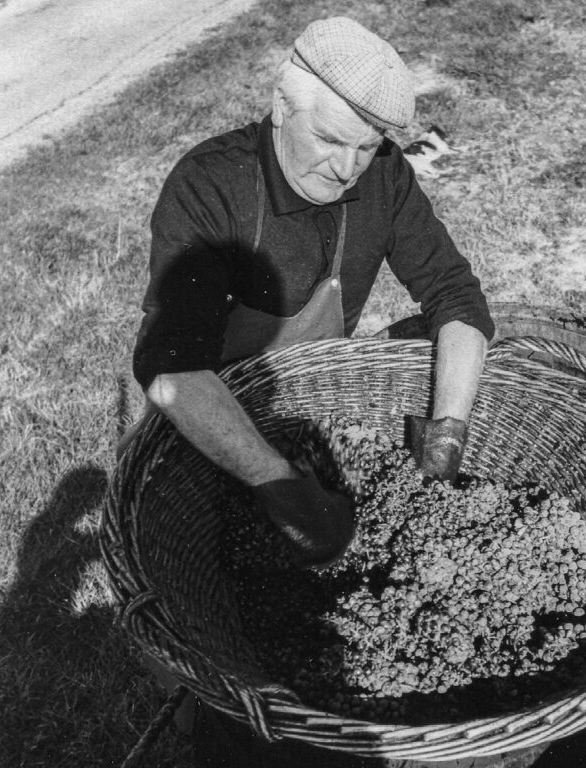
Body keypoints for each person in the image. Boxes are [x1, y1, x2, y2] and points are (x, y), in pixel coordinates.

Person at [125, 14, 495, 766]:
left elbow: (459, 302)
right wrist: (279, 487)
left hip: (305, 406)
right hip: (207, 417)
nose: (346, 168)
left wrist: (447, 433)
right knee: (217, 631)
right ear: (281, 106)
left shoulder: (382, 178)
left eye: (366, 149)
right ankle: (217, 717)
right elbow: (172, 373)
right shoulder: (214, 187)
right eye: (330, 140)